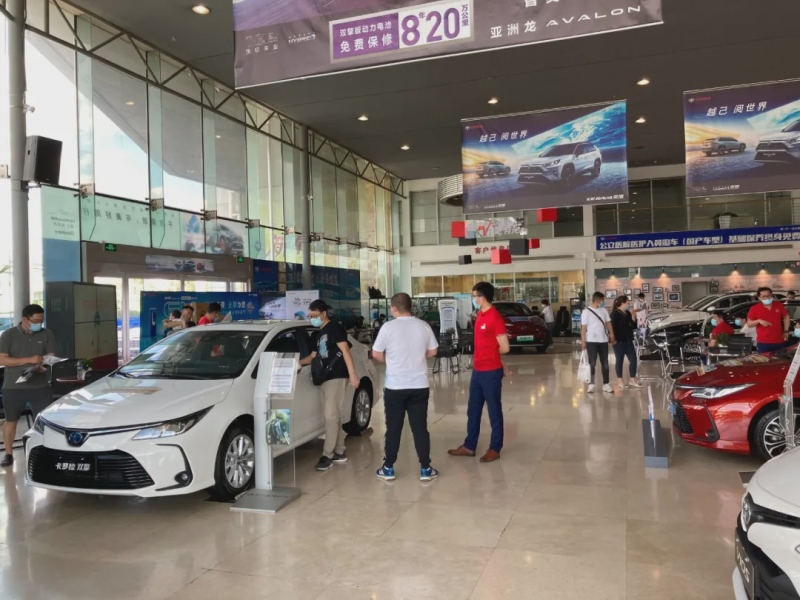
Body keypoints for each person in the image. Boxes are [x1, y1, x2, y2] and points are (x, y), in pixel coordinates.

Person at [372, 293, 439, 482]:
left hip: (395, 387)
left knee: (393, 428)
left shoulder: (388, 327)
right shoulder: (423, 326)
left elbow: (376, 353)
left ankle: (388, 468)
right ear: (410, 307)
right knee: (420, 428)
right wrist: (417, 358)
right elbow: (433, 351)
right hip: (419, 386)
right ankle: (425, 468)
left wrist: (391, 361)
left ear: (394, 308)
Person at [448, 282, 509, 463]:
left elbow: (504, 347)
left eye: (475, 296)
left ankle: (495, 448)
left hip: (490, 372)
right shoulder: (480, 315)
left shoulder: (495, 318)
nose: (473, 299)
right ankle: (469, 445)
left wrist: (495, 359)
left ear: (483, 297)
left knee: (494, 410)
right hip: (478, 370)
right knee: (473, 409)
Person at [300, 300, 361, 472]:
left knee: (330, 416)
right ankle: (339, 451)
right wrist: (297, 363)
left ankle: (327, 455)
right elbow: (313, 356)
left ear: (324, 313)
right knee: (333, 417)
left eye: (314, 316)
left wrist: (352, 375)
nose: (312, 319)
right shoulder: (318, 334)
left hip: (337, 376)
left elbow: (346, 350)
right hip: (324, 379)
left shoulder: (335, 329)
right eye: (310, 316)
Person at [0, 304, 57, 468]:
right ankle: (8, 454)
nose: (39, 323)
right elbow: (2, 359)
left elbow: (51, 356)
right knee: (11, 420)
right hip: (13, 387)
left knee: (44, 421)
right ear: (24, 319)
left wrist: (43, 365)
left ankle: (44, 452)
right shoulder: (8, 335)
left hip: (40, 386)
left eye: (41, 320)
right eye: (36, 321)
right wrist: (29, 360)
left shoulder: (47, 334)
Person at [581, 292, 616, 393]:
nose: (603, 302)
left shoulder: (604, 310)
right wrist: (583, 341)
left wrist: (612, 334)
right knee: (592, 363)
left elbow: (608, 323)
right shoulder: (586, 312)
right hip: (591, 341)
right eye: (602, 300)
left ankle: (606, 384)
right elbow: (584, 328)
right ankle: (591, 384)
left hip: (603, 341)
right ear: (597, 300)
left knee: (605, 363)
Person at [610, 296, 641, 389]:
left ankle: (632, 379)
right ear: (622, 303)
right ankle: (620, 380)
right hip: (619, 341)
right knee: (619, 360)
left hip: (628, 340)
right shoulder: (614, 314)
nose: (628, 304)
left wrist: (633, 315)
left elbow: (633, 326)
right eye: (627, 302)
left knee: (633, 359)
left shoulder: (627, 313)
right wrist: (613, 338)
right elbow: (611, 327)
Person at [747, 287, 790, 354]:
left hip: (779, 340)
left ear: (772, 295)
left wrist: (786, 331)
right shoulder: (754, 309)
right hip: (763, 342)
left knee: (780, 359)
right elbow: (749, 324)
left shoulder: (778, 305)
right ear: (759, 298)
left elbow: (786, 316)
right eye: (764, 296)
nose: (767, 298)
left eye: (769, 296)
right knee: (764, 359)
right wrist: (758, 321)